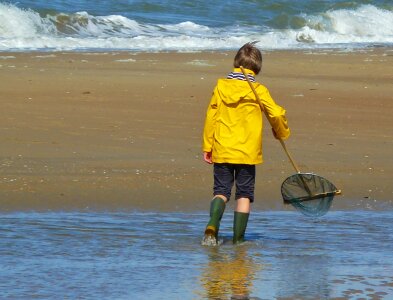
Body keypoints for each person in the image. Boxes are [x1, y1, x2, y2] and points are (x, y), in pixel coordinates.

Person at [202, 42, 290, 245]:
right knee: (243, 195)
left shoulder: (221, 87)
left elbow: (211, 117)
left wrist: (208, 146)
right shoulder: (258, 90)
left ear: (236, 64)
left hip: (223, 147)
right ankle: (237, 240)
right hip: (247, 152)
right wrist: (281, 131)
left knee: (221, 191)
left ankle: (213, 224)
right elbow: (275, 113)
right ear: (256, 68)